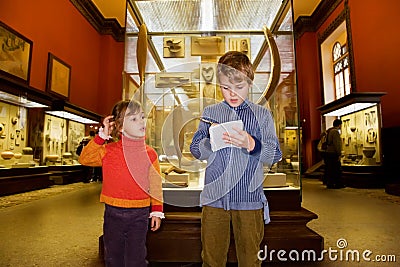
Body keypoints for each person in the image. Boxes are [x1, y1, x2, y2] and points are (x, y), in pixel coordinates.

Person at [190, 51, 282, 267]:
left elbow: (275, 154)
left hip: (249, 199)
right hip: (214, 199)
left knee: (250, 260)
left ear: (250, 83)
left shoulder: (262, 114)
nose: (232, 94)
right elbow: (195, 149)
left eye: (239, 87)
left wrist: (252, 145)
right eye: (225, 88)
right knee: (211, 260)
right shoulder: (210, 112)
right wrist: (211, 142)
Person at [79, 100, 164, 267]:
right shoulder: (108, 151)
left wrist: (156, 211)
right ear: (120, 127)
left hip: (140, 213)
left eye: (142, 117)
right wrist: (102, 135)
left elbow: (155, 184)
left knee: (136, 258)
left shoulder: (150, 154)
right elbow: (85, 158)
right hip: (113, 212)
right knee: (113, 256)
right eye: (133, 119)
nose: (141, 121)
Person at [324, 118, 345, 189]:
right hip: (333, 153)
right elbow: (337, 144)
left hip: (328, 152)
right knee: (336, 169)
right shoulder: (335, 132)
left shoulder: (329, 131)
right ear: (339, 125)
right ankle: (337, 184)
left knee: (330, 169)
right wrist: (339, 153)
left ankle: (330, 183)